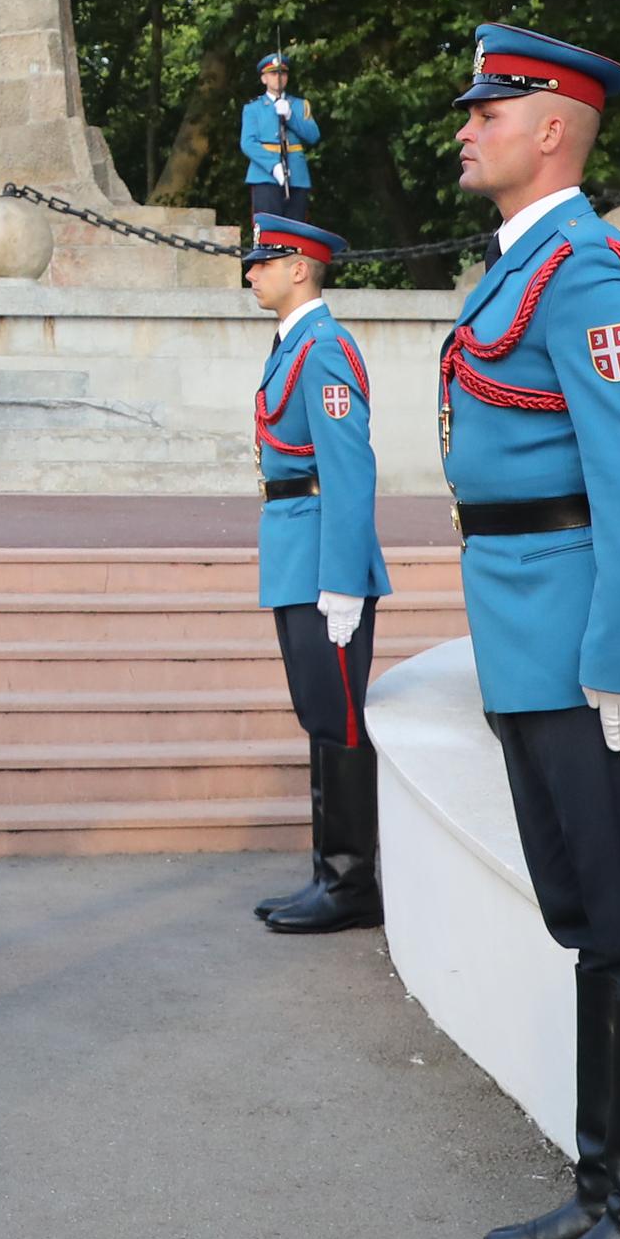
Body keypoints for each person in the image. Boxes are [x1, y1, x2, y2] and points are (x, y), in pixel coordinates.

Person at [436, 26, 620, 1239]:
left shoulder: (587, 273)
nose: (466, 126)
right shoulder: (523, 269)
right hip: (532, 645)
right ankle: (607, 1191)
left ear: (552, 127)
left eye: (488, 109)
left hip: (598, 658)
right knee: (598, 922)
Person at [241, 210, 390, 935]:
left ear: (300, 268)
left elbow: (349, 470)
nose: (252, 272)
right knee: (320, 718)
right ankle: (327, 874)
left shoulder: (324, 348)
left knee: (339, 721)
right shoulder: (293, 345)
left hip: (322, 559)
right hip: (296, 550)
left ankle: (351, 882)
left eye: (264, 261)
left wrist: (342, 578)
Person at [241, 53, 320, 228]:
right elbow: (247, 143)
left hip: (297, 176)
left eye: (282, 73)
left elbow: (313, 136)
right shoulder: (253, 108)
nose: (279, 78)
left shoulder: (299, 105)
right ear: (264, 79)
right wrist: (273, 165)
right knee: (269, 233)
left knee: (296, 232)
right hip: (265, 176)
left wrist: (290, 116)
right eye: (273, 74)